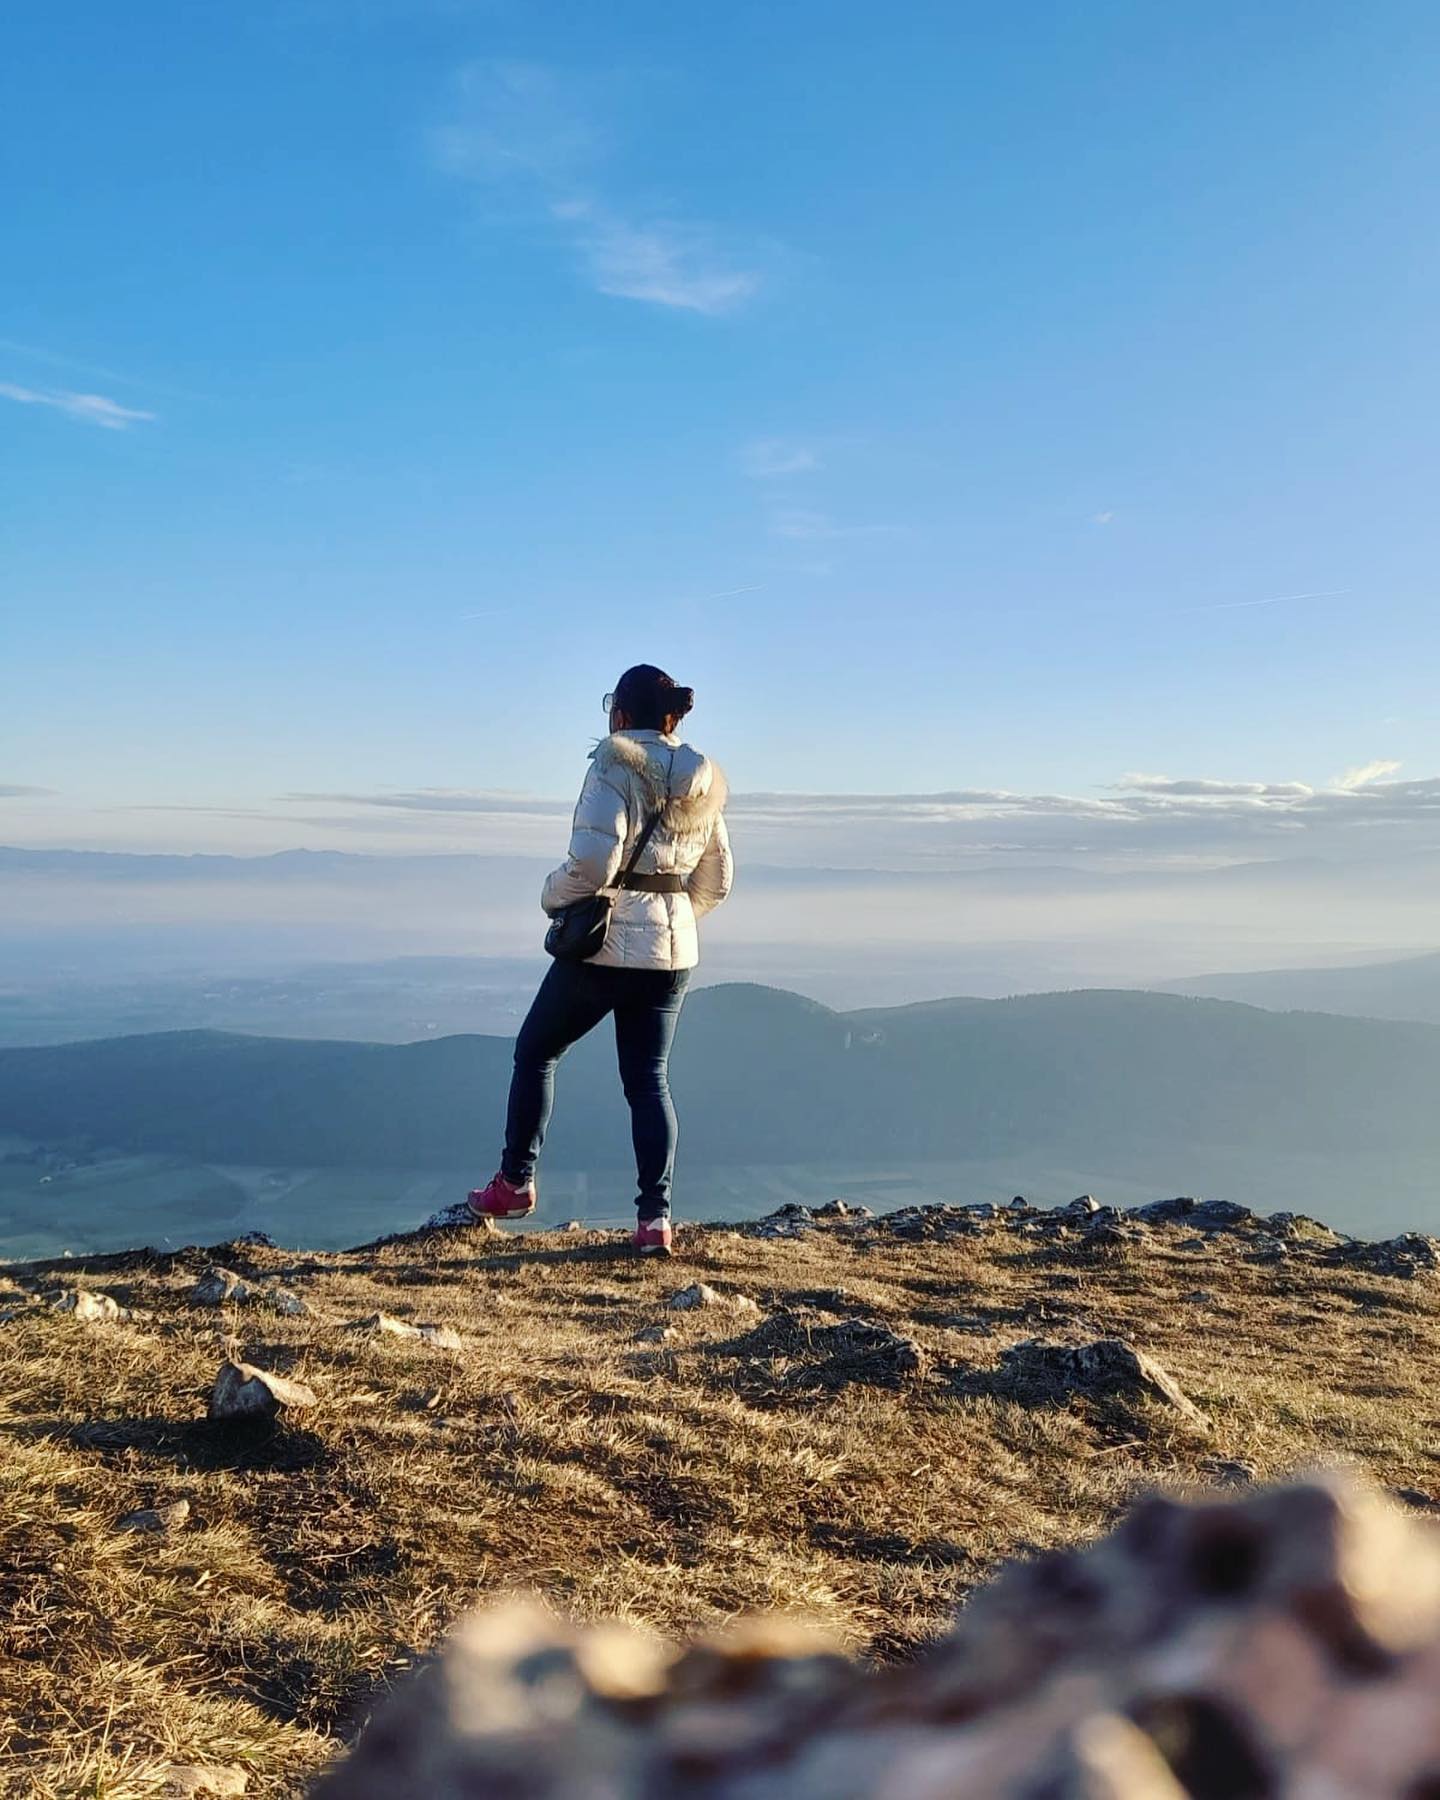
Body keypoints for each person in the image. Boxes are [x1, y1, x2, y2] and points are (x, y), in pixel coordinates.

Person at [466, 665, 733, 1255]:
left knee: (536, 1051)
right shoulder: (703, 780)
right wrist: (672, 917)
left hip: (605, 946)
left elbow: (592, 864)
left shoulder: (612, 764)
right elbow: (718, 877)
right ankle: (655, 1221)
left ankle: (514, 1183)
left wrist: (551, 895)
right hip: (672, 955)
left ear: (620, 713)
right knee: (649, 1081)